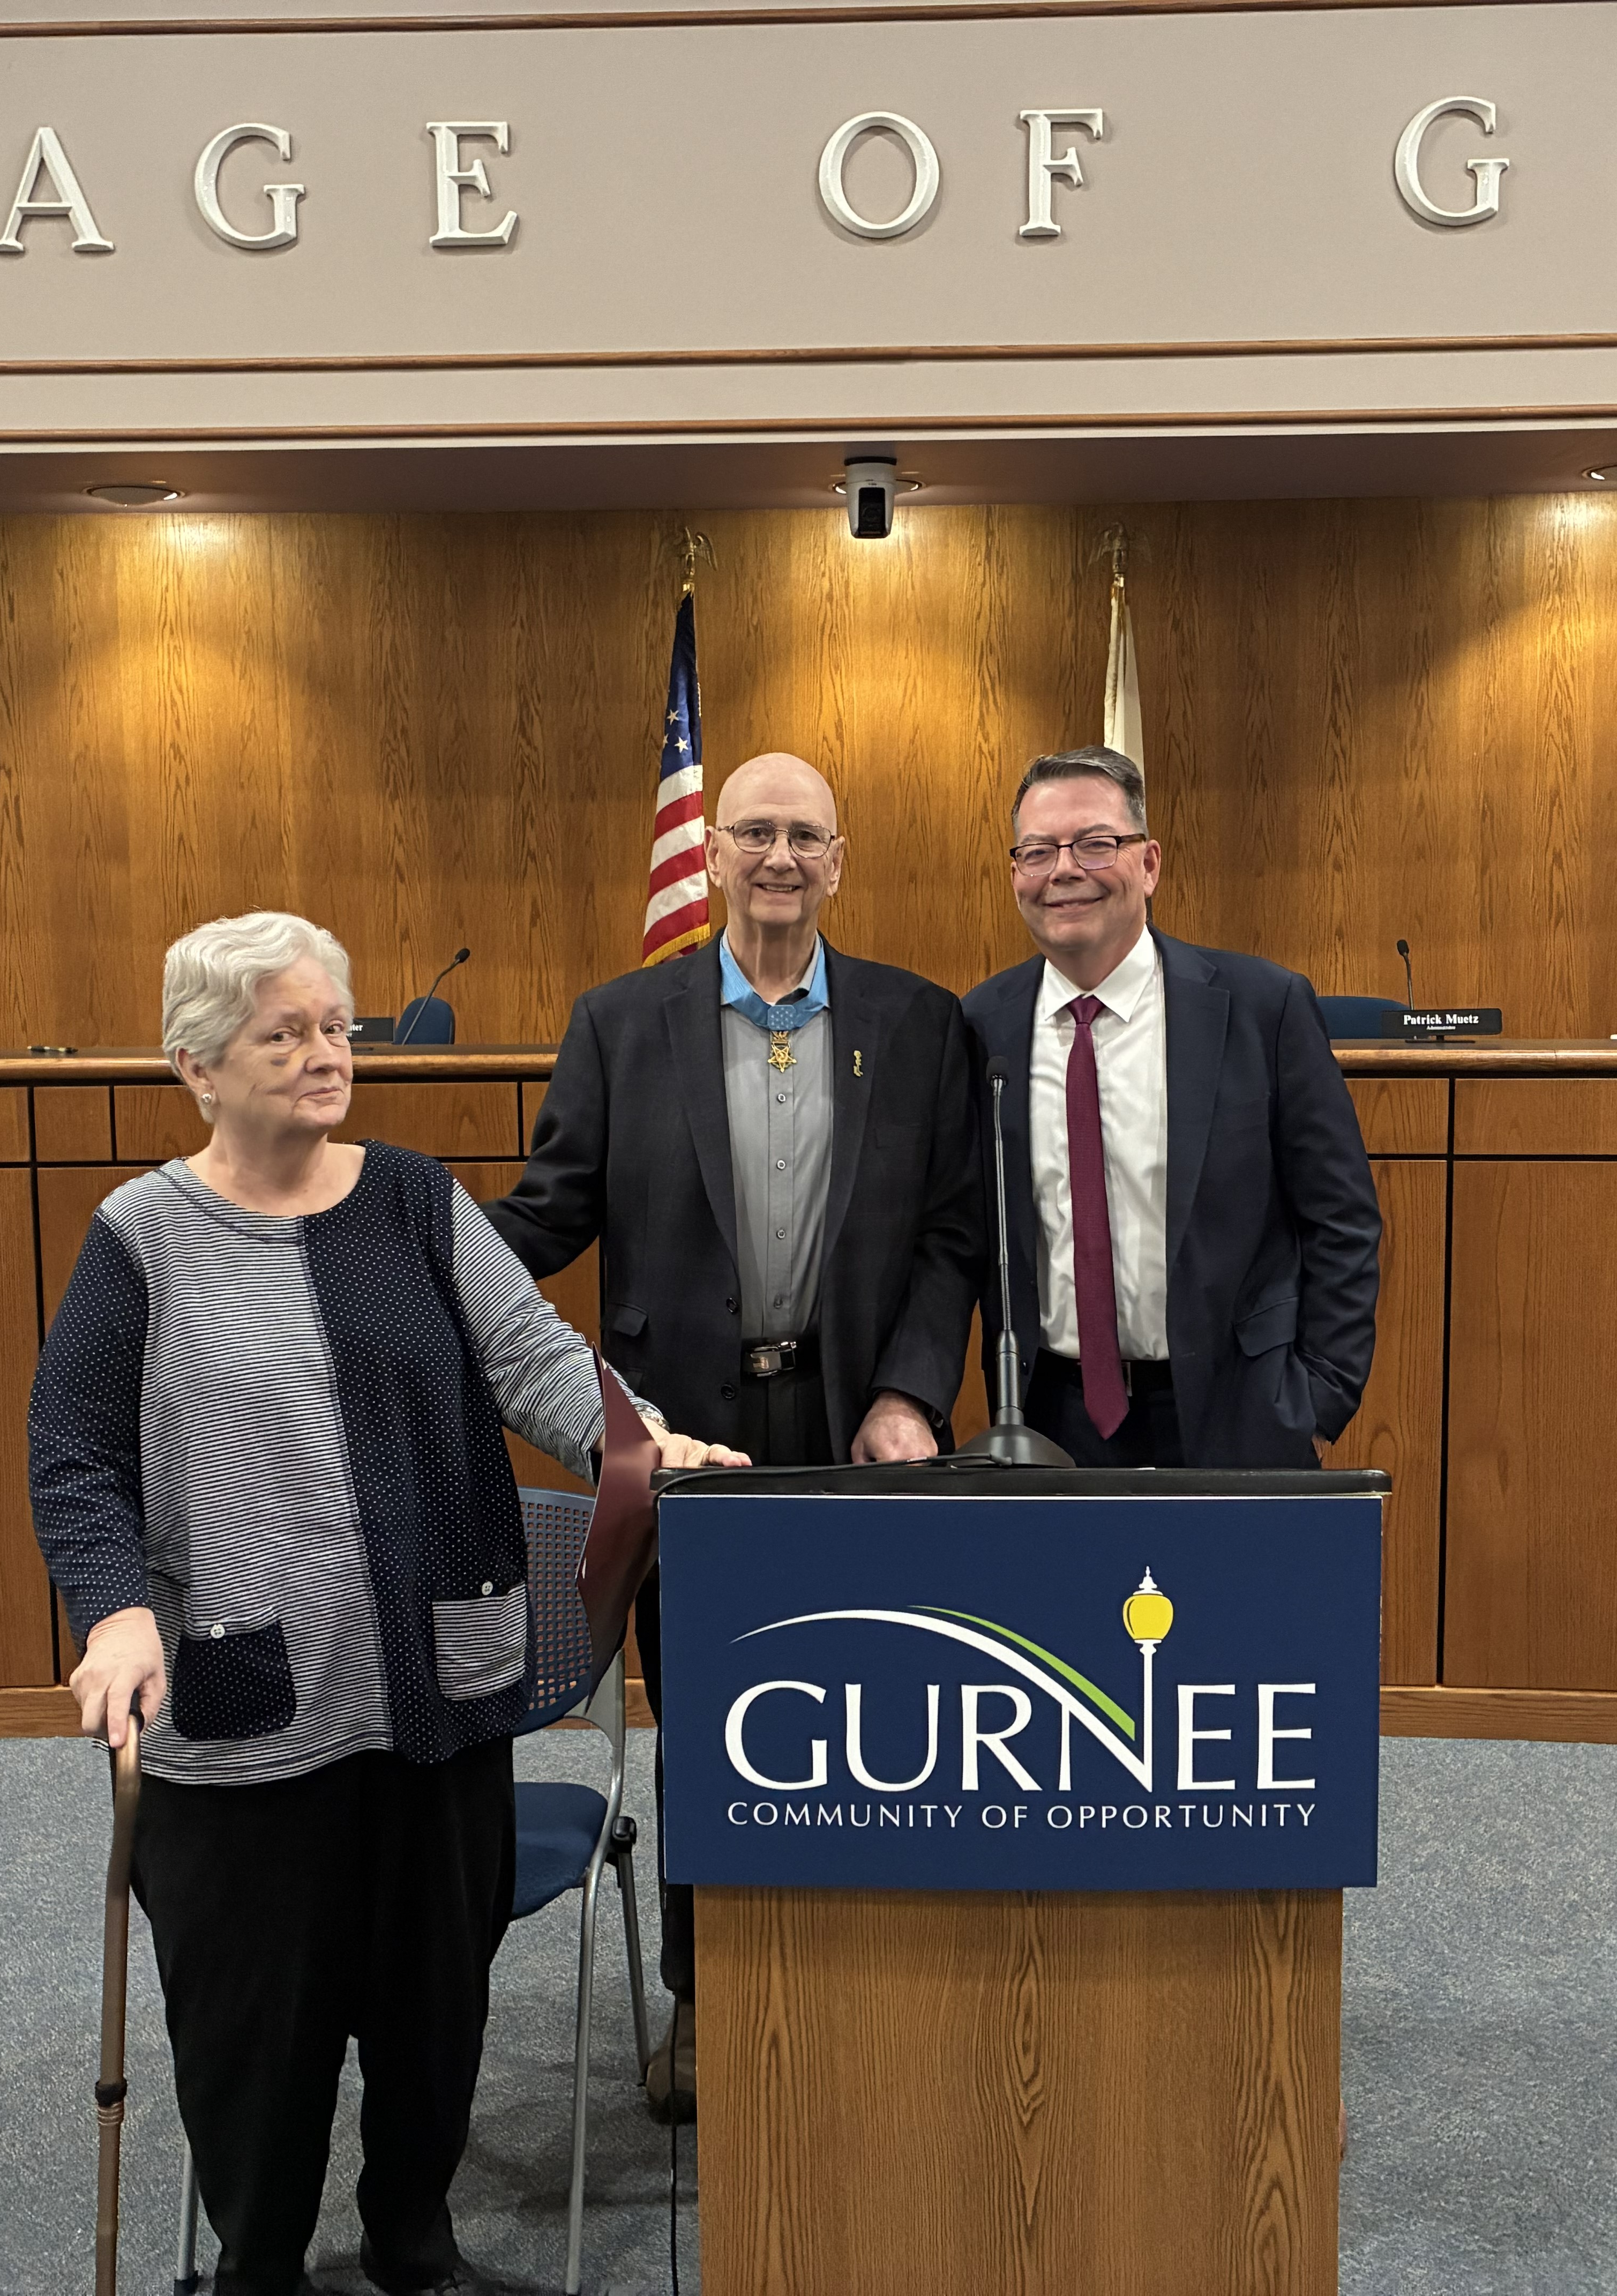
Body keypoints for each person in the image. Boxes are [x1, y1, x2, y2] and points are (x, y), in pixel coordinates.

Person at [31, 910, 744, 2296]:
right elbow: (75, 1456)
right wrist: (114, 1610)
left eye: (337, 1025)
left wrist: (650, 1444)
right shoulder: (142, 1238)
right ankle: (263, 2264)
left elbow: (539, 1358)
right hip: (243, 1734)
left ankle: (419, 2245)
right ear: (197, 1064)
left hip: (434, 1708)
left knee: (432, 2018)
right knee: (260, 2034)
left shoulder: (417, 1204)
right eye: (282, 1031)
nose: (323, 1053)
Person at [484, 750, 983, 2121]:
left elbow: (951, 1237)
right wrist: (410, 1243)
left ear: (839, 859)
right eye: (751, 831)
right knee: (716, 1720)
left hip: (854, 1429)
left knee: (881, 1707)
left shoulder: (920, 1022)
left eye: (803, 835)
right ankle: (710, 2007)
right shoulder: (620, 1021)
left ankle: (865, 1977)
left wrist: (912, 1394)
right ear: (708, 856)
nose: (777, 856)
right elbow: (551, 1210)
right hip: (692, 1444)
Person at [964, 744, 1381, 1470]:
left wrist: (1318, 1397)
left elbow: (1341, 1217)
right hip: (1052, 1423)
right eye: (1038, 852)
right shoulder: (980, 1026)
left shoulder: (1262, 1008)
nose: (1064, 871)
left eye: (1096, 845)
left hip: (1239, 1414)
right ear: (1015, 875)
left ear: (1149, 863)